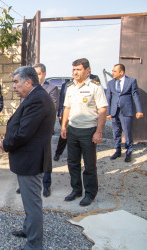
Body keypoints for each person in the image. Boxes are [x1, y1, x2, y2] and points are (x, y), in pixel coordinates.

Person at [0, 66, 55, 250]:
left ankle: (34, 244)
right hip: (28, 158)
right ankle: (28, 229)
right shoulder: (33, 96)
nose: (14, 86)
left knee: (32, 204)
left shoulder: (37, 99)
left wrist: (5, 144)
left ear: (28, 82)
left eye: (16, 82)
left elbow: (24, 133)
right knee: (28, 199)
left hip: (31, 160)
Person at [61, 58, 107, 207]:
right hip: (73, 130)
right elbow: (67, 108)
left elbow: (103, 110)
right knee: (72, 163)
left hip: (89, 131)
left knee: (89, 165)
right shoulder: (70, 87)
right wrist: (63, 127)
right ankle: (76, 190)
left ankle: (89, 194)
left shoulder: (95, 87)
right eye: (73, 69)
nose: (75, 72)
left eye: (78, 69)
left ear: (88, 71)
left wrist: (98, 132)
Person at [106, 63, 143, 162]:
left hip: (126, 111)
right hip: (114, 111)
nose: (112, 73)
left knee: (127, 132)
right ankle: (117, 150)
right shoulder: (110, 83)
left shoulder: (131, 81)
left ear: (121, 72)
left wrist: (139, 110)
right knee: (116, 132)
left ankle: (128, 152)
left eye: (114, 71)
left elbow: (135, 96)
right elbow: (108, 98)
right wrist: (108, 112)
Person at [34, 63, 57, 197]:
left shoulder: (51, 89)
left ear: (44, 74)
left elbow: (52, 108)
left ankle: (46, 185)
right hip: (30, 130)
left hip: (43, 130)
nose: (36, 77)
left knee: (45, 159)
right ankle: (28, 183)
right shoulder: (28, 88)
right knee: (31, 157)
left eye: (39, 74)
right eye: (34, 74)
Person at [53, 79, 70, 161]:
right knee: (64, 134)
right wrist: (60, 113)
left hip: (78, 116)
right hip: (66, 114)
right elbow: (61, 100)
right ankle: (58, 153)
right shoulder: (66, 85)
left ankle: (72, 155)